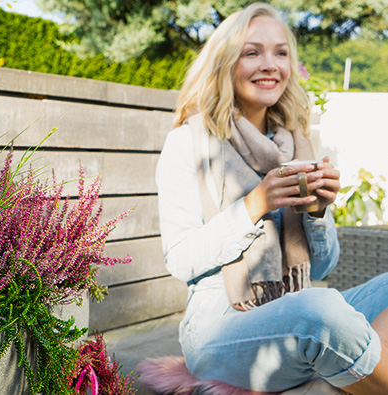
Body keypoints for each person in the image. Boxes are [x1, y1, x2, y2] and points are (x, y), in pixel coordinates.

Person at [155, 3, 388, 394]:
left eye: (281, 53)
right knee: (321, 310)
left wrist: (317, 211)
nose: (270, 64)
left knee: (328, 301)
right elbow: (180, 259)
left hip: (293, 308)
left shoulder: (296, 145)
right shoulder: (188, 144)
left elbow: (325, 265)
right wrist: (255, 204)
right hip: (220, 325)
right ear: (224, 64)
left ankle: (356, 379)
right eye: (252, 52)